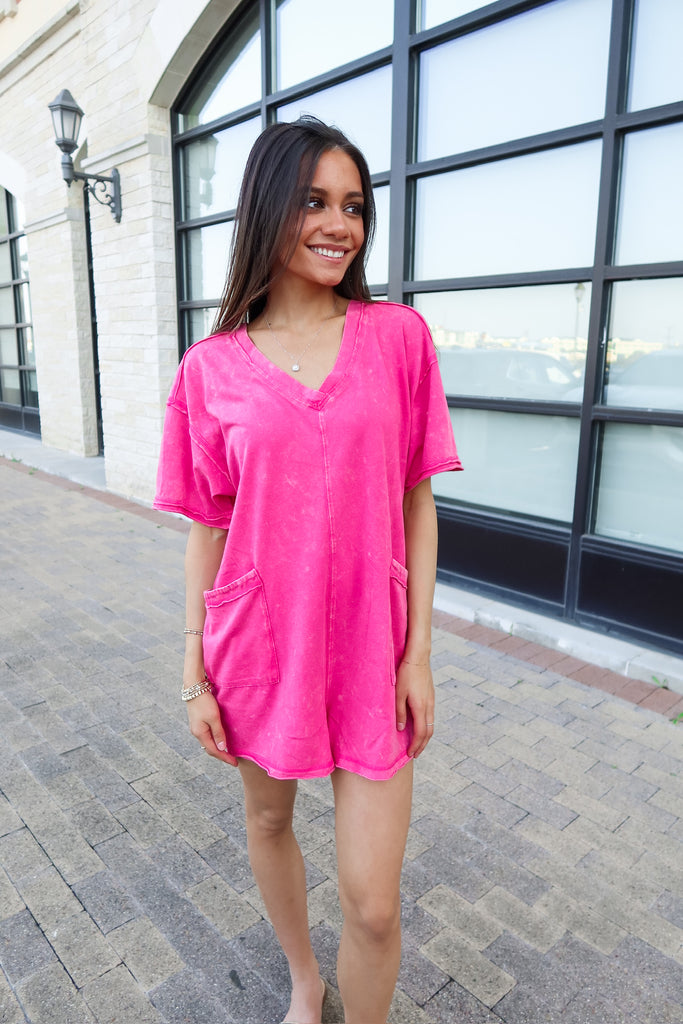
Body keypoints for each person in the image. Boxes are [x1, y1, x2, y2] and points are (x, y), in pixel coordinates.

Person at [154, 116, 461, 1024]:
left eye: (354, 207)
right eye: (314, 202)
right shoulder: (210, 370)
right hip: (257, 647)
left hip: (374, 651)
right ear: (265, 211)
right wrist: (193, 670)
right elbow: (209, 528)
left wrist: (417, 655)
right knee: (268, 819)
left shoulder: (397, 338)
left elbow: (417, 500)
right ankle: (302, 978)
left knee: (373, 906)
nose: (339, 225)